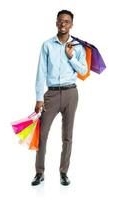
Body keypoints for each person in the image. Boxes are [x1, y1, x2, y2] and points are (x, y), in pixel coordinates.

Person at [31, 10, 88, 186]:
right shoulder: (47, 45)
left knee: (67, 136)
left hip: (71, 93)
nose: (63, 24)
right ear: (56, 23)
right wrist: (39, 97)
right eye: (60, 21)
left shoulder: (78, 47)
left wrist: (71, 57)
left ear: (71, 24)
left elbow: (84, 71)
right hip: (52, 94)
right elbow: (41, 72)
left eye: (67, 21)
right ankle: (39, 173)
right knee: (42, 135)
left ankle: (64, 172)